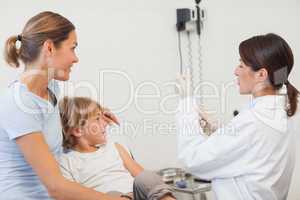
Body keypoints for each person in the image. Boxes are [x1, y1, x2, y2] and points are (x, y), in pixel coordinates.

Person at [0, 11, 136, 200]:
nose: (75, 58)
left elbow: (57, 118)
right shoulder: (18, 104)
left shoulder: (51, 89)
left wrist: (94, 115)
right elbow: (56, 187)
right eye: (72, 48)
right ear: (49, 48)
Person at [175, 33, 299, 200]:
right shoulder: (284, 109)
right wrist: (219, 129)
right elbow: (252, 153)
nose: (235, 71)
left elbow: (192, 159)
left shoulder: (254, 120)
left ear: (261, 74)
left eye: (241, 65)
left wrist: (186, 103)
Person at [58, 96, 176, 200]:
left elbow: (140, 174)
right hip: (109, 198)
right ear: (78, 130)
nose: (105, 123)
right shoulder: (67, 162)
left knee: (146, 177)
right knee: (113, 194)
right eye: (97, 119)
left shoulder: (114, 147)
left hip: (136, 195)